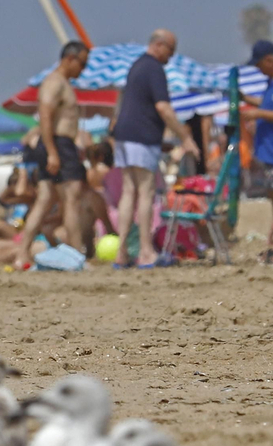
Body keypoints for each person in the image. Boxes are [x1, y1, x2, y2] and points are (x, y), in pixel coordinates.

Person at [110, 29, 199, 268]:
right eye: (171, 51)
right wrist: (185, 137)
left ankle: (122, 253)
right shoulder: (154, 69)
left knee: (129, 191)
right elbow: (164, 108)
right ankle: (146, 252)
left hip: (124, 136)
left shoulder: (136, 66)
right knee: (146, 192)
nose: (171, 57)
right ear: (160, 45)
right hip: (142, 136)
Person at [13, 41, 91, 270]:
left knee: (45, 200)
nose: (83, 70)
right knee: (71, 200)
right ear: (70, 58)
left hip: (57, 145)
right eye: (83, 63)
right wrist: (53, 152)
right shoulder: (54, 83)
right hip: (58, 145)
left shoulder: (60, 83)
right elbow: (45, 116)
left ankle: (22, 254)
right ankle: (77, 255)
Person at [237, 40, 273, 252]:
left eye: (260, 65)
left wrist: (257, 114)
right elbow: (266, 105)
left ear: (269, 60)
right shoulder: (270, 82)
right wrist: (246, 99)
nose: (258, 70)